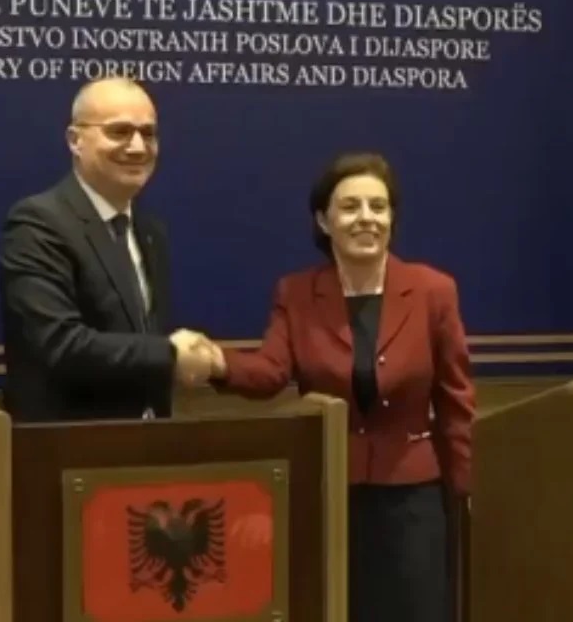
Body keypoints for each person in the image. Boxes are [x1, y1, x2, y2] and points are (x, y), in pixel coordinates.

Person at [195, 151, 475, 622]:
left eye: (378, 207)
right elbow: (270, 372)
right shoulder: (296, 293)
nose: (366, 218)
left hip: (414, 498)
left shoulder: (433, 291)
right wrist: (215, 364)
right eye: (350, 207)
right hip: (329, 492)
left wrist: (464, 490)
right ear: (324, 221)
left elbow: (456, 399)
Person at [0, 76, 212, 422]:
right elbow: (59, 344)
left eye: (148, 133)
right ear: (75, 140)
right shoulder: (37, 223)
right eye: (119, 132)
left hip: (148, 441)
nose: (138, 147)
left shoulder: (149, 231)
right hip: (68, 444)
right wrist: (170, 354)